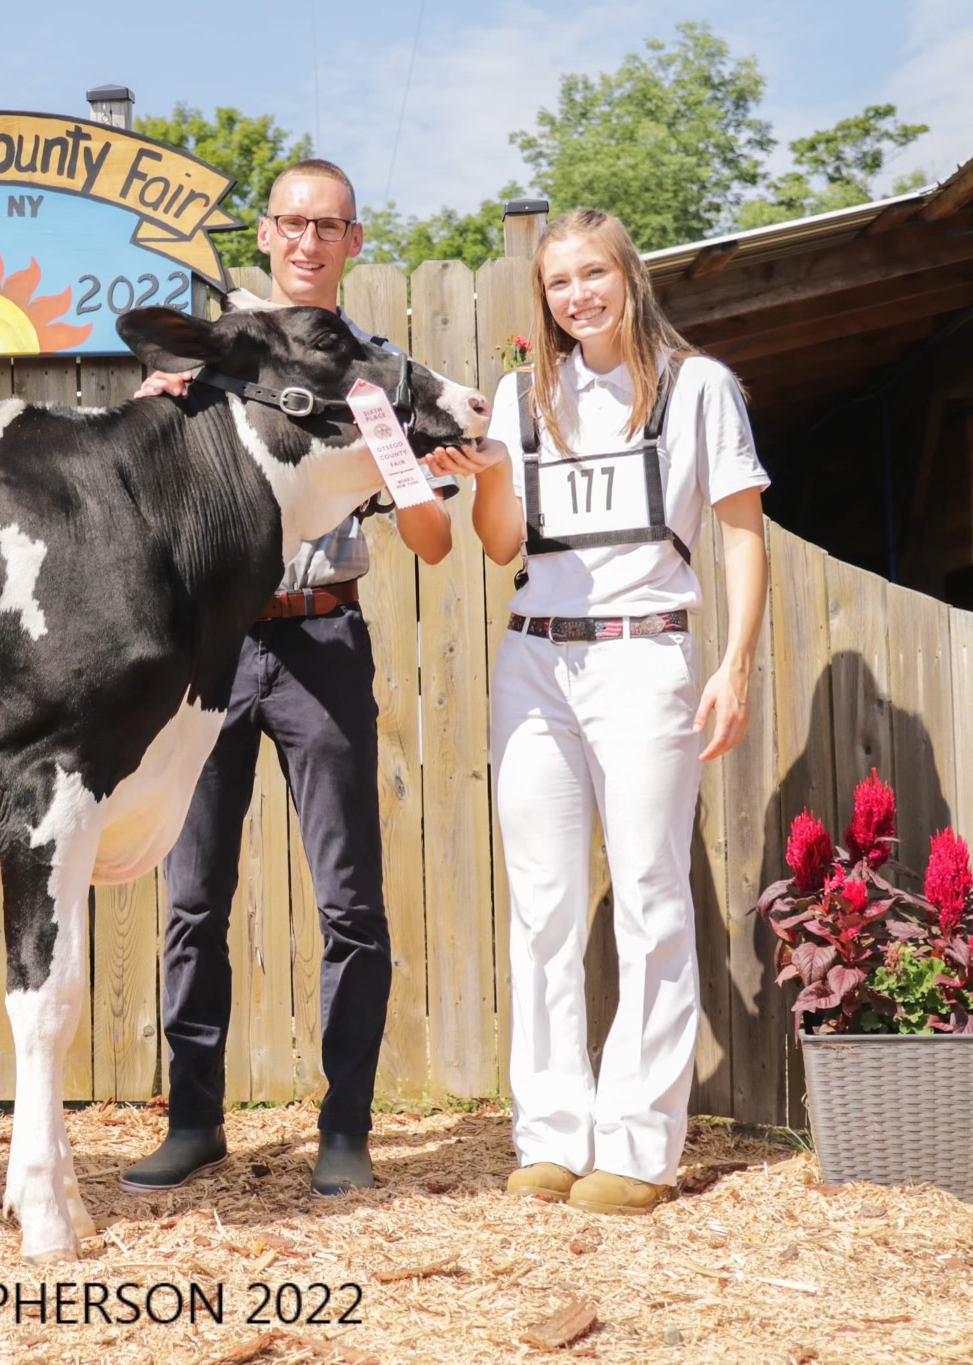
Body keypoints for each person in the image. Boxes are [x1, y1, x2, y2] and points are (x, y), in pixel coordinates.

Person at [120, 159, 464, 1198]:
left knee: (348, 898)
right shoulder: (206, 355)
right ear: (263, 235)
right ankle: (191, 1123)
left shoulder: (382, 374)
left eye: (330, 226)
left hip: (320, 640)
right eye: (292, 223)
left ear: (353, 243)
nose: (309, 240)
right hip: (210, 647)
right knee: (191, 898)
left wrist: (424, 477)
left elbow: (434, 542)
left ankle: (346, 1132)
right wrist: (153, 404)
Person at [426, 206, 769, 1215]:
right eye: (558, 284)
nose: (576, 296)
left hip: (646, 660)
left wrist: (735, 665)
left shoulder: (697, 388)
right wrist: (490, 473)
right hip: (533, 663)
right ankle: (547, 1134)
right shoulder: (519, 397)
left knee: (654, 899)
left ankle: (636, 1148)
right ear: (542, 301)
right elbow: (499, 546)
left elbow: (741, 536)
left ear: (627, 277)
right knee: (541, 908)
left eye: (591, 275)